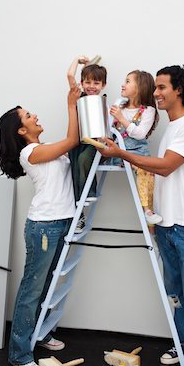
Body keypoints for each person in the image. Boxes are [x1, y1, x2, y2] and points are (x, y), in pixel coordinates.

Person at [96, 65, 184, 366]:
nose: (157, 94)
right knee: (176, 294)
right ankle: (182, 347)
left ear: (179, 89)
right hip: (167, 223)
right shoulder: (171, 128)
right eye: (156, 88)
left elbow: (164, 168)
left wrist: (121, 153)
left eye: (162, 88)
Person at [0, 85, 81, 366]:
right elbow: (72, 139)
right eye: (28, 116)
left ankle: (40, 333)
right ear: (21, 131)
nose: (35, 116)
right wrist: (71, 103)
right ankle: (19, 353)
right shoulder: (31, 153)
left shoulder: (45, 150)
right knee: (32, 289)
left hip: (62, 222)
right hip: (43, 227)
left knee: (48, 286)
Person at [110, 70, 162, 228]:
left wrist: (121, 119)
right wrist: (114, 118)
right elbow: (108, 129)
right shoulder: (119, 107)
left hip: (140, 153)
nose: (122, 84)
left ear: (139, 87)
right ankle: (148, 211)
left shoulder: (148, 111)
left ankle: (148, 212)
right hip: (122, 154)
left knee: (150, 173)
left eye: (127, 81)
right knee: (144, 169)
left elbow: (140, 134)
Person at [67, 56, 107, 233]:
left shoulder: (102, 101)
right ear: (82, 83)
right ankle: (78, 214)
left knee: (84, 160)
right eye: (88, 82)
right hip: (78, 141)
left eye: (96, 83)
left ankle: (88, 193)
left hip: (94, 143)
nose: (92, 86)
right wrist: (78, 60)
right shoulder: (80, 96)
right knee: (74, 171)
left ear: (103, 85)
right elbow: (69, 75)